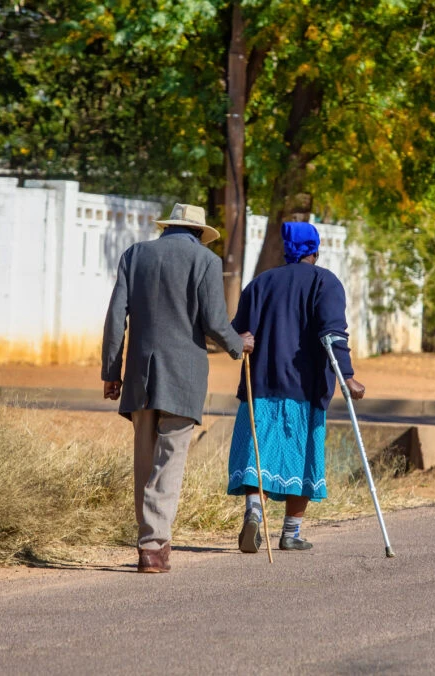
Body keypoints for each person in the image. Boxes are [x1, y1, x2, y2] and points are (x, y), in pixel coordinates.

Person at [102, 203, 254, 573]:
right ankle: (153, 546)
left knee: (144, 461)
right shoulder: (205, 260)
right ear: (200, 232)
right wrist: (240, 344)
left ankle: (152, 540)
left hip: (140, 373)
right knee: (169, 460)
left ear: (168, 227)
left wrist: (111, 370)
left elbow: (115, 316)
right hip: (183, 376)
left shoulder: (136, 255)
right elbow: (215, 322)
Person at [227, 221, 366, 553]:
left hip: (260, 384)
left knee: (257, 451)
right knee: (301, 456)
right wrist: (346, 376)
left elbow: (234, 333)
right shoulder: (325, 282)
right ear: (315, 251)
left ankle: (254, 511)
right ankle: (291, 532)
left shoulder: (260, 283)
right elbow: (333, 336)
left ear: (286, 250)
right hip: (305, 388)